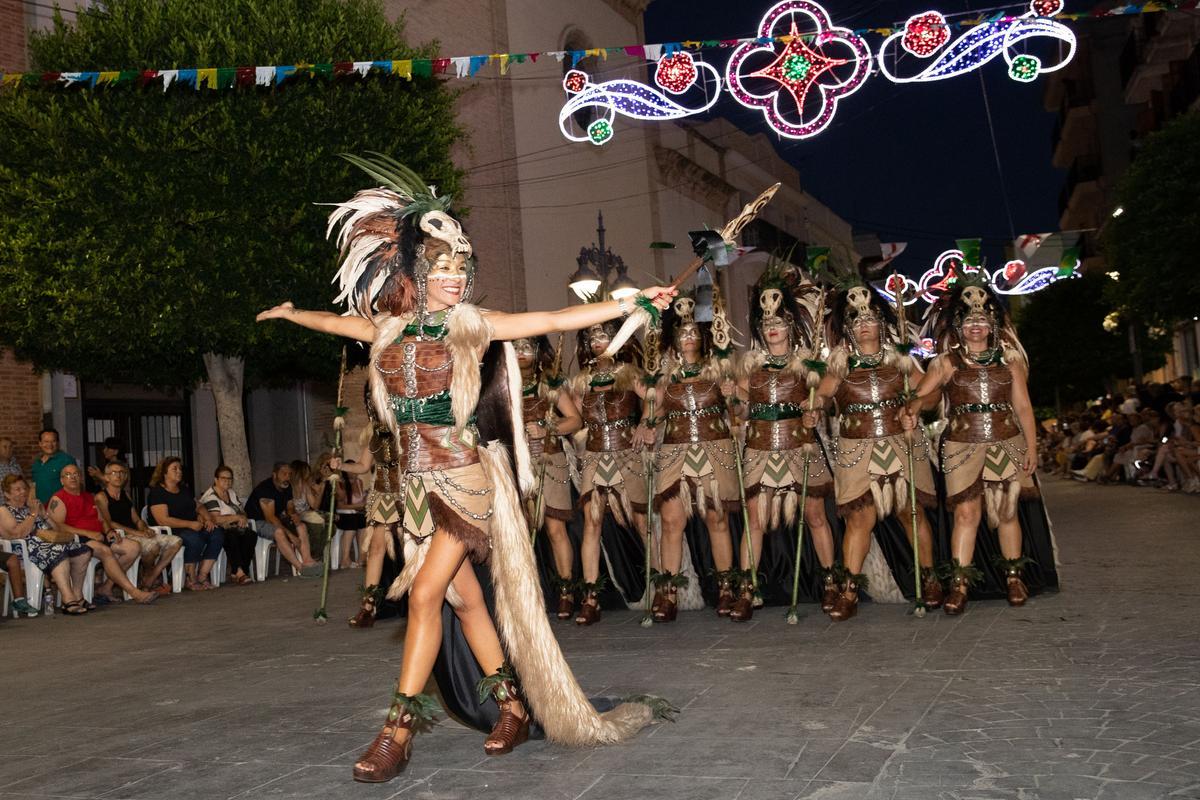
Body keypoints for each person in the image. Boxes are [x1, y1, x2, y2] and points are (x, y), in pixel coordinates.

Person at [256, 155, 675, 782]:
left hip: (463, 479)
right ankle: (512, 707)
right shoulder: (388, 329)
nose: (456, 278)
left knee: (425, 595)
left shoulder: (470, 324)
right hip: (413, 489)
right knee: (464, 597)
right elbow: (336, 322)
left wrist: (628, 301)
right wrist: (292, 315)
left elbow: (555, 318)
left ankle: (396, 733)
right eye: (444, 268)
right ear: (417, 273)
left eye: (461, 268)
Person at [806, 276, 943, 621]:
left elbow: (932, 393)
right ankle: (849, 590)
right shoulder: (840, 364)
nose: (864, 325)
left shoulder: (900, 360)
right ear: (848, 327)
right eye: (856, 319)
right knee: (859, 518)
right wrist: (813, 408)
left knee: (910, 512)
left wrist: (915, 406)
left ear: (881, 322)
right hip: (856, 448)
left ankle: (930, 580)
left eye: (869, 318)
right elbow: (822, 395)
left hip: (900, 444)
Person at [908, 280, 1040, 613]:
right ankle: (960, 584)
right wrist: (912, 407)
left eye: (982, 320)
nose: (976, 325)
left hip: (1005, 441)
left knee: (1006, 511)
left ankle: (1014, 578)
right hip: (961, 445)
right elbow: (925, 396)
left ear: (993, 324)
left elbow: (1023, 407)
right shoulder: (944, 363)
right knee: (967, 513)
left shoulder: (1010, 361)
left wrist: (1033, 448)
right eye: (969, 320)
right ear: (958, 325)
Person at [729, 264, 837, 621]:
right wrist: (733, 398)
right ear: (761, 330)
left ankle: (831, 584)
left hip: (799, 443)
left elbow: (824, 395)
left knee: (815, 515)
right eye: (767, 323)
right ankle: (748, 590)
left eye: (779, 322)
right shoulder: (749, 367)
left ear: (790, 325)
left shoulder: (808, 365)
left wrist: (814, 407)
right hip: (759, 447)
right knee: (755, 520)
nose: (773, 327)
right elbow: (742, 409)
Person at [645, 292, 740, 622]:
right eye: (681, 331)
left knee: (716, 518)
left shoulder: (718, 370)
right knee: (672, 521)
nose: (687, 336)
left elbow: (739, 413)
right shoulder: (663, 377)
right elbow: (652, 416)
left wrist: (733, 398)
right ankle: (668, 592)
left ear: (702, 336)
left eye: (692, 331)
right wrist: (646, 425)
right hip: (675, 450)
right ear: (673, 337)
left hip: (714, 446)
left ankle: (728, 589)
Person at [570, 321, 651, 624]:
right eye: (593, 337)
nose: (598, 341)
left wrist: (646, 422)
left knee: (642, 520)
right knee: (591, 522)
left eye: (604, 335)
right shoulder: (581, 382)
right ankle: (591, 598)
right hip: (593, 454)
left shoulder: (630, 374)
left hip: (627, 452)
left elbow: (654, 401)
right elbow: (575, 419)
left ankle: (660, 586)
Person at [515, 336, 583, 620]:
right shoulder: (502, 383)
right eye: (516, 347)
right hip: (517, 464)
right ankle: (526, 594)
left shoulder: (550, 384)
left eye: (527, 347)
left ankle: (566, 591)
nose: (521, 352)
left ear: (538, 352)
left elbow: (576, 420)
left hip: (551, 459)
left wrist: (548, 428)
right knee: (520, 532)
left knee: (555, 529)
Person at [333, 387, 403, 627]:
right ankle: (368, 606)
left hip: (409, 493)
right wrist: (340, 465)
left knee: (412, 549)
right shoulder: (375, 432)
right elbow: (363, 466)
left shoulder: (406, 425)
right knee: (375, 548)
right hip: (383, 495)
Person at [48, 464, 158, 605]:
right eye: (68, 475)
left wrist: (108, 531)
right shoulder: (58, 499)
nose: (73, 477)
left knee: (133, 547)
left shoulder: (88, 497)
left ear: (81, 478)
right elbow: (58, 526)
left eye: (76, 474)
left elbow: (101, 519)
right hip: (78, 539)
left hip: (99, 536)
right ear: (62, 480)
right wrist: (88, 533)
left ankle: (106, 587)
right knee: (105, 551)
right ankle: (135, 593)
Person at [0, 474, 92, 615]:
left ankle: (77, 595)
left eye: (24, 488)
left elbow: (56, 531)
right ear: (7, 494)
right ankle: (68, 600)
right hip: (25, 551)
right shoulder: (4, 511)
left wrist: (44, 515)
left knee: (83, 551)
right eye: (17, 489)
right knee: (58, 551)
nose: (23, 492)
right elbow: (17, 534)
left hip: (46, 545)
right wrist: (33, 515)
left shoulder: (29, 508)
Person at [94, 460, 183, 595]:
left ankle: (150, 577)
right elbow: (109, 522)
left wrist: (144, 528)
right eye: (113, 473)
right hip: (119, 536)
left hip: (135, 533)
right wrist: (138, 533)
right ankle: (148, 578)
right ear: (106, 477)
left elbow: (136, 519)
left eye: (121, 473)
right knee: (153, 546)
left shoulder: (126, 495)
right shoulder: (101, 497)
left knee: (176, 541)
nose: (118, 476)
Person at [148, 457, 222, 591]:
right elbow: (162, 520)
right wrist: (189, 524)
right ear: (164, 473)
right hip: (171, 530)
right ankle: (190, 578)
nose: (179, 471)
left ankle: (202, 575)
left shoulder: (184, 489)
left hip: (192, 526)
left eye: (180, 468)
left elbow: (198, 506)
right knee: (195, 538)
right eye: (174, 469)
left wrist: (207, 518)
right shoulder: (157, 492)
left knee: (216, 533)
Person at [246, 463, 322, 577]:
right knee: (279, 532)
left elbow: (290, 508)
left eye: (289, 474)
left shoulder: (287, 487)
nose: (287, 477)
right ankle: (300, 568)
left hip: (276, 518)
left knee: (301, 526)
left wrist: (294, 515)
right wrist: (291, 536)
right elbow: (270, 518)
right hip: (257, 521)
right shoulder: (265, 489)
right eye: (284, 474)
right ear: (274, 475)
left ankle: (308, 560)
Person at [199, 466, 257, 585]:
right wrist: (236, 517)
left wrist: (243, 517)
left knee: (251, 535)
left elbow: (242, 511)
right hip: (218, 530)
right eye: (223, 478)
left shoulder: (231, 493)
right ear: (216, 479)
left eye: (230, 478)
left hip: (234, 527)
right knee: (232, 536)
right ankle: (240, 572)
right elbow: (215, 519)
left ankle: (238, 572)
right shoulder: (210, 496)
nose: (227, 481)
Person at [333, 459, 368, 569]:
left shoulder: (359, 482)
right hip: (343, 514)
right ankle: (345, 559)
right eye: (351, 468)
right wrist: (357, 507)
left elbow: (361, 502)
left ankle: (361, 557)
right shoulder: (340, 483)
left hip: (356, 513)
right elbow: (339, 506)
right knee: (352, 521)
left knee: (364, 520)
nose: (354, 471)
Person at [29, 428, 76, 506]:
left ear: (58, 443)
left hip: (61, 508)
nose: (50, 445)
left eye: (53, 441)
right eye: (46, 441)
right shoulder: (36, 463)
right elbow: (34, 487)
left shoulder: (66, 460)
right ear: (40, 443)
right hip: (41, 510)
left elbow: (75, 486)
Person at [0, 437, 21, 503]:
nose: (8, 449)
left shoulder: (16, 465)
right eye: (5, 447)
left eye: (10, 447)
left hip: (17, 506)